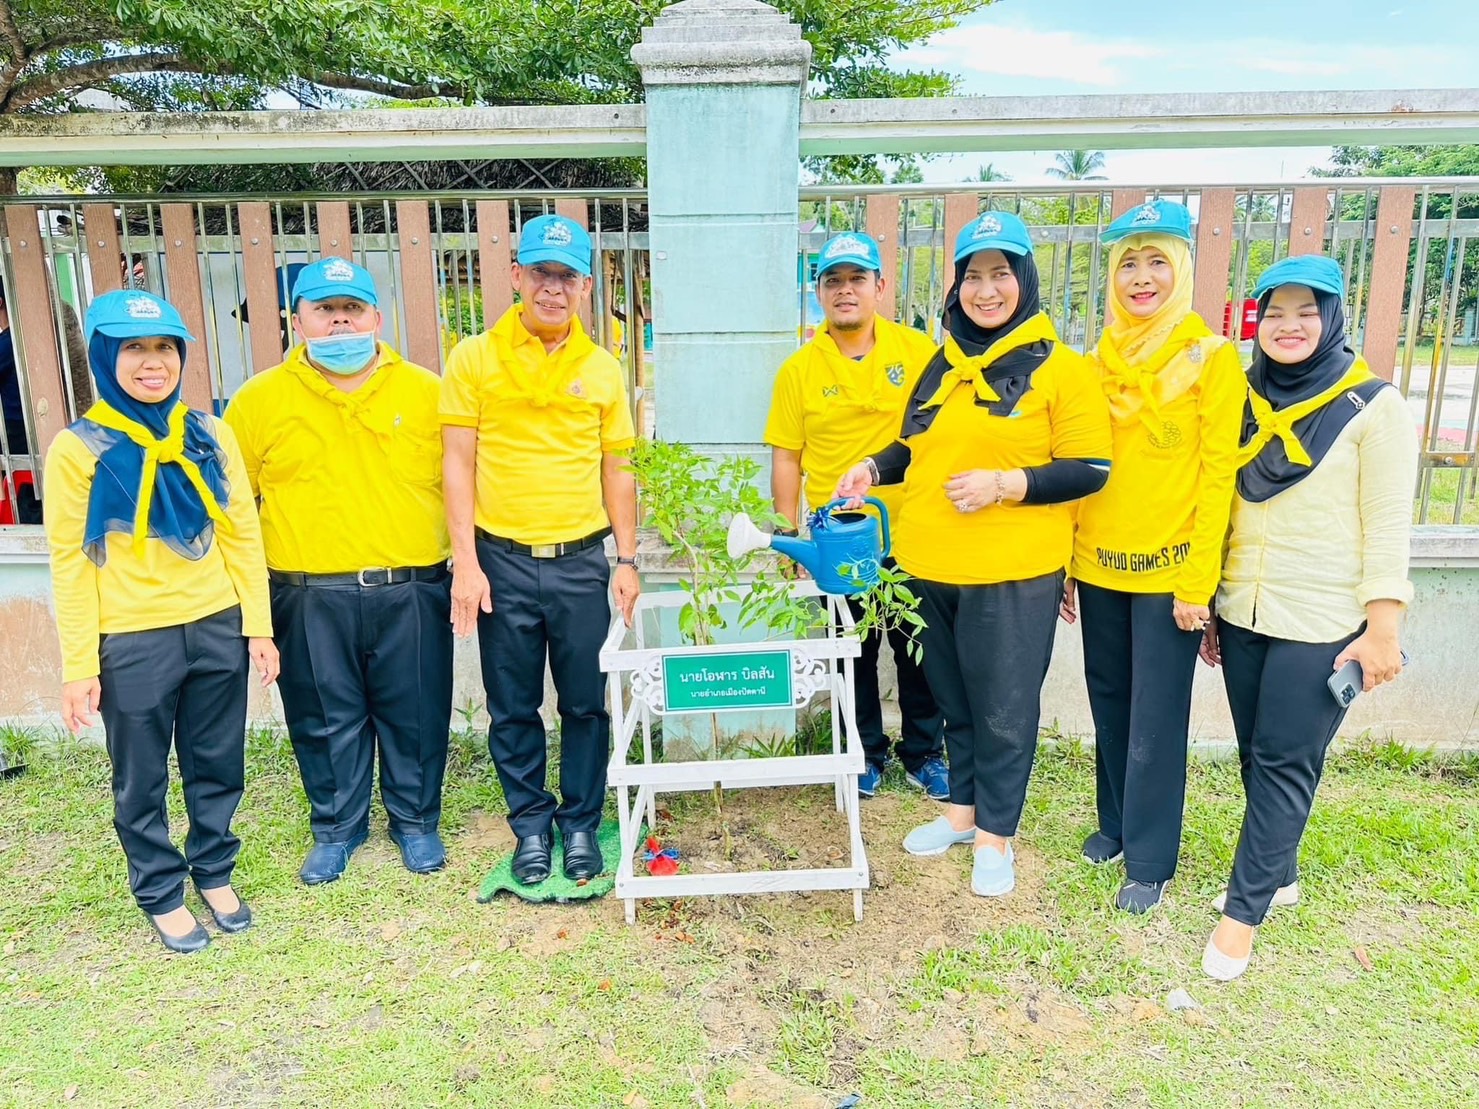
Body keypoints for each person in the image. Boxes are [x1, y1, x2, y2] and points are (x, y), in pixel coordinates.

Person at [836, 211, 1113, 897]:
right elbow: (914, 447)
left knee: (1003, 708)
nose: (984, 290)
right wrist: (871, 468)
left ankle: (997, 834)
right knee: (954, 699)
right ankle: (961, 813)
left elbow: (1091, 468)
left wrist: (1007, 484)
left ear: (1023, 279)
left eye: (999, 274)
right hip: (928, 564)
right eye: (971, 276)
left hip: (1011, 571)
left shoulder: (1062, 368)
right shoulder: (940, 362)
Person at [1199, 255, 1416, 980]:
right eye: (1275, 312)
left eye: (1305, 310)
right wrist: (1208, 597)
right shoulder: (1242, 398)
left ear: (1332, 317)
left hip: (1321, 619)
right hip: (1241, 608)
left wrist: (1380, 628)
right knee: (1256, 754)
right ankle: (1279, 872)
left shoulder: (1372, 405)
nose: (1288, 326)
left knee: (1284, 763)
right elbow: (1219, 506)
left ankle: (1241, 916)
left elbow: (1386, 525)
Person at [43, 290, 277, 953]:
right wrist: (79, 664)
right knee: (140, 774)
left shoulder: (209, 431)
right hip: (133, 639)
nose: (154, 363)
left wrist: (256, 627)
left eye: (166, 349)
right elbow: (69, 560)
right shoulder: (78, 446)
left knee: (217, 759)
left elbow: (241, 533)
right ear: (104, 354)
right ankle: (159, 889)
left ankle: (214, 869)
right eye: (136, 349)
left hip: (215, 625)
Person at [224, 258, 453, 884]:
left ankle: (416, 821)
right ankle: (337, 827)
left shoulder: (427, 392)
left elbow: (462, 487)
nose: (340, 321)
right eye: (325, 310)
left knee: (416, 708)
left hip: (411, 585)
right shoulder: (257, 401)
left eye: (352, 308)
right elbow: (234, 512)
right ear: (297, 321)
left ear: (378, 317)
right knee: (325, 714)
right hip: (307, 593)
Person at [440, 213, 640, 887]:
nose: (553, 289)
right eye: (541, 274)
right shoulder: (473, 358)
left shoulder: (603, 369)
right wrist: (465, 562)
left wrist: (628, 557)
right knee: (512, 704)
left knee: (585, 702)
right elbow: (457, 463)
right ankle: (529, 824)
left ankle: (580, 823)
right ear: (516, 275)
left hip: (583, 560)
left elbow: (619, 467)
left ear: (586, 286)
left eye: (567, 277)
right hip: (502, 562)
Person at [1060, 200, 1246, 913]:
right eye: (1128, 264)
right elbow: (1081, 463)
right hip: (1100, 563)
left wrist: (1198, 582)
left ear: (1183, 270)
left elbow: (1217, 473)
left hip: (1170, 572)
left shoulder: (1210, 356)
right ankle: (1113, 823)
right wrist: (1072, 560)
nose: (1141, 279)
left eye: (1156, 263)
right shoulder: (1096, 359)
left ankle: (1149, 858)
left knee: (1155, 716)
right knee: (1108, 700)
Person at [764, 231, 947, 799]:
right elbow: (786, 458)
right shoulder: (799, 370)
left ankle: (924, 752)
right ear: (818, 291)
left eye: (857, 279)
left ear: (880, 287)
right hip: (838, 539)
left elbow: (939, 437)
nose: (846, 291)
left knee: (920, 650)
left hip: (915, 530)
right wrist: (790, 534)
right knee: (851, 652)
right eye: (833, 280)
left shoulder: (918, 354)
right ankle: (863, 752)